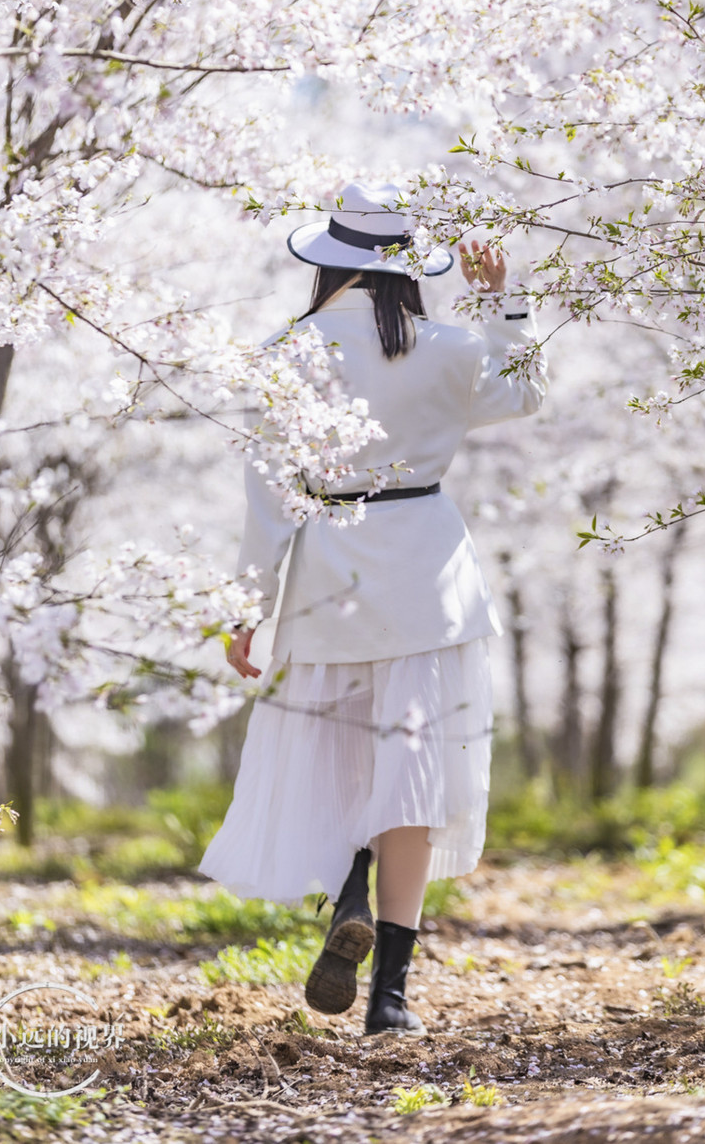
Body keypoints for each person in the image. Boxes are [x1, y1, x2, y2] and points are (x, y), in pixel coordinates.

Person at [199, 180, 546, 1035]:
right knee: (414, 782)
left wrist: (246, 609)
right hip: (429, 580)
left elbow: (271, 500)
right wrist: (504, 301)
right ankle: (391, 997)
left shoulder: (290, 349)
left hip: (329, 582)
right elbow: (527, 396)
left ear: (331, 260)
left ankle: (348, 887)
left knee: (346, 764)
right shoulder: (452, 345)